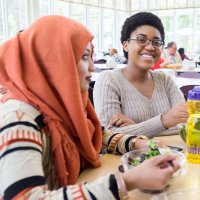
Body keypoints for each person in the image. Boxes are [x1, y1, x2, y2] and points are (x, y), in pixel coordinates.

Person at [0, 16, 180, 199]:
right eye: (85, 57)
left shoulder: (58, 105)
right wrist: (126, 182)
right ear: (54, 60)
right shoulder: (19, 118)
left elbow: (99, 135)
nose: (93, 67)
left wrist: (138, 143)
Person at [93, 12, 188, 138]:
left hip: (171, 156)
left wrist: (135, 127)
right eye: (141, 40)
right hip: (127, 158)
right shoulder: (109, 80)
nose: (150, 47)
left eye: (156, 42)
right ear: (125, 45)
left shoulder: (165, 80)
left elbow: (187, 125)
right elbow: (107, 137)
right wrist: (164, 121)